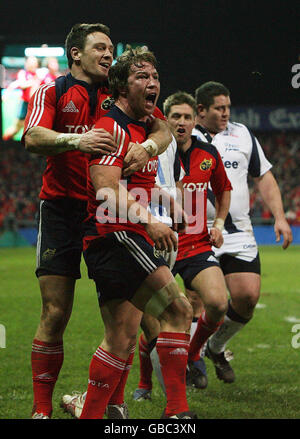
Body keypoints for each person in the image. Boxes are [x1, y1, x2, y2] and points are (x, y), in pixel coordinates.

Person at [22, 23, 172, 419]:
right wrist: (77, 140)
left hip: (108, 213)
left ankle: (110, 405)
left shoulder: (119, 93)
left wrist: (148, 146)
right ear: (76, 54)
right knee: (55, 313)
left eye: (110, 49)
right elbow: (32, 138)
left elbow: (163, 127)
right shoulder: (52, 91)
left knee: (128, 314)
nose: (108, 54)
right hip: (61, 210)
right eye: (100, 48)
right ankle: (42, 410)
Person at [64, 46, 195, 420]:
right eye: (142, 77)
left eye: (154, 77)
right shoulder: (110, 128)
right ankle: (178, 413)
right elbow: (106, 189)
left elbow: (139, 177)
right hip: (115, 234)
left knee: (121, 337)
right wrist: (149, 220)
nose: (152, 84)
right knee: (178, 309)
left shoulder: (144, 125)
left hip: (116, 235)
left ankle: (90, 415)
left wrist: (169, 204)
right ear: (122, 87)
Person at [191, 81, 293, 384]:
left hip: (238, 233)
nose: (225, 113)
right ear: (201, 110)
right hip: (197, 231)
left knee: (247, 296)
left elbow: (263, 176)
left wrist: (279, 217)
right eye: (219, 108)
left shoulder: (242, 134)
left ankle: (216, 347)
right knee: (200, 301)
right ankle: (191, 362)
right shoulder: (185, 135)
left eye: (227, 107)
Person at [132, 90, 232, 394]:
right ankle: (145, 382)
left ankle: (193, 353)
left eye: (188, 117)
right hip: (158, 243)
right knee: (150, 319)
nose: (182, 122)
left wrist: (217, 223)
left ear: (195, 120)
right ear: (166, 119)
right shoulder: (153, 152)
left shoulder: (208, 153)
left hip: (196, 243)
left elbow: (224, 189)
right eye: (175, 116)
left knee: (216, 303)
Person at [3, 56, 41, 140]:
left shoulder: (37, 75)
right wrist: (33, 82)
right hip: (25, 105)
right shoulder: (23, 73)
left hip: (34, 106)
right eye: (32, 62)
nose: (34, 64)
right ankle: (4, 140)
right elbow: (22, 85)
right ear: (27, 64)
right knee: (16, 129)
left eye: (35, 62)